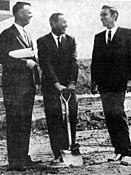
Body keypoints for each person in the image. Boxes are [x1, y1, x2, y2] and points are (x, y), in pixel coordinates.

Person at [91, 5, 131, 166]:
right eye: (101, 15)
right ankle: (118, 151)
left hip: (119, 83)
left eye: (105, 15)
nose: (102, 18)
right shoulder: (98, 37)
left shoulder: (127, 33)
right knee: (110, 116)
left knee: (118, 114)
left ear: (114, 15)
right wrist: (94, 82)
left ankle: (126, 152)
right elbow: (95, 62)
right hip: (104, 84)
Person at [0, 2, 40, 171]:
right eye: (29, 12)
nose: (31, 15)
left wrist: (36, 82)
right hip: (14, 87)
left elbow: (32, 60)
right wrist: (24, 64)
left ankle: (24, 156)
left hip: (27, 87)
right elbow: (1, 58)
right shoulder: (7, 34)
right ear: (19, 13)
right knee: (15, 122)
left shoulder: (27, 34)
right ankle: (15, 160)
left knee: (25, 122)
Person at [37, 13, 80, 165]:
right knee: (54, 118)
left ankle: (71, 149)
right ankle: (58, 153)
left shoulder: (71, 40)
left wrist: (72, 83)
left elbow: (74, 62)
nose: (66, 25)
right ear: (53, 24)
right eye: (63, 22)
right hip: (51, 87)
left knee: (72, 116)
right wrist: (56, 84)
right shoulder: (43, 41)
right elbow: (45, 64)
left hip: (69, 87)